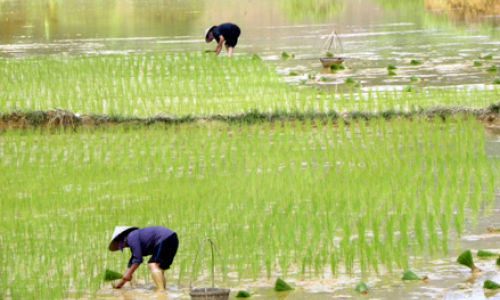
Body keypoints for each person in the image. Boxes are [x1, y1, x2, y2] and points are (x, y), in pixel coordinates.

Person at [108, 226, 179, 290]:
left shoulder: (131, 237)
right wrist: (121, 283)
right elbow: (133, 261)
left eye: (120, 246)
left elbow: (138, 260)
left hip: (164, 238)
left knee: (153, 264)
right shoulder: (134, 237)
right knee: (159, 268)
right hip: (172, 238)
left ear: (121, 239)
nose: (123, 247)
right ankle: (164, 292)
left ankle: (161, 292)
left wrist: (129, 274)